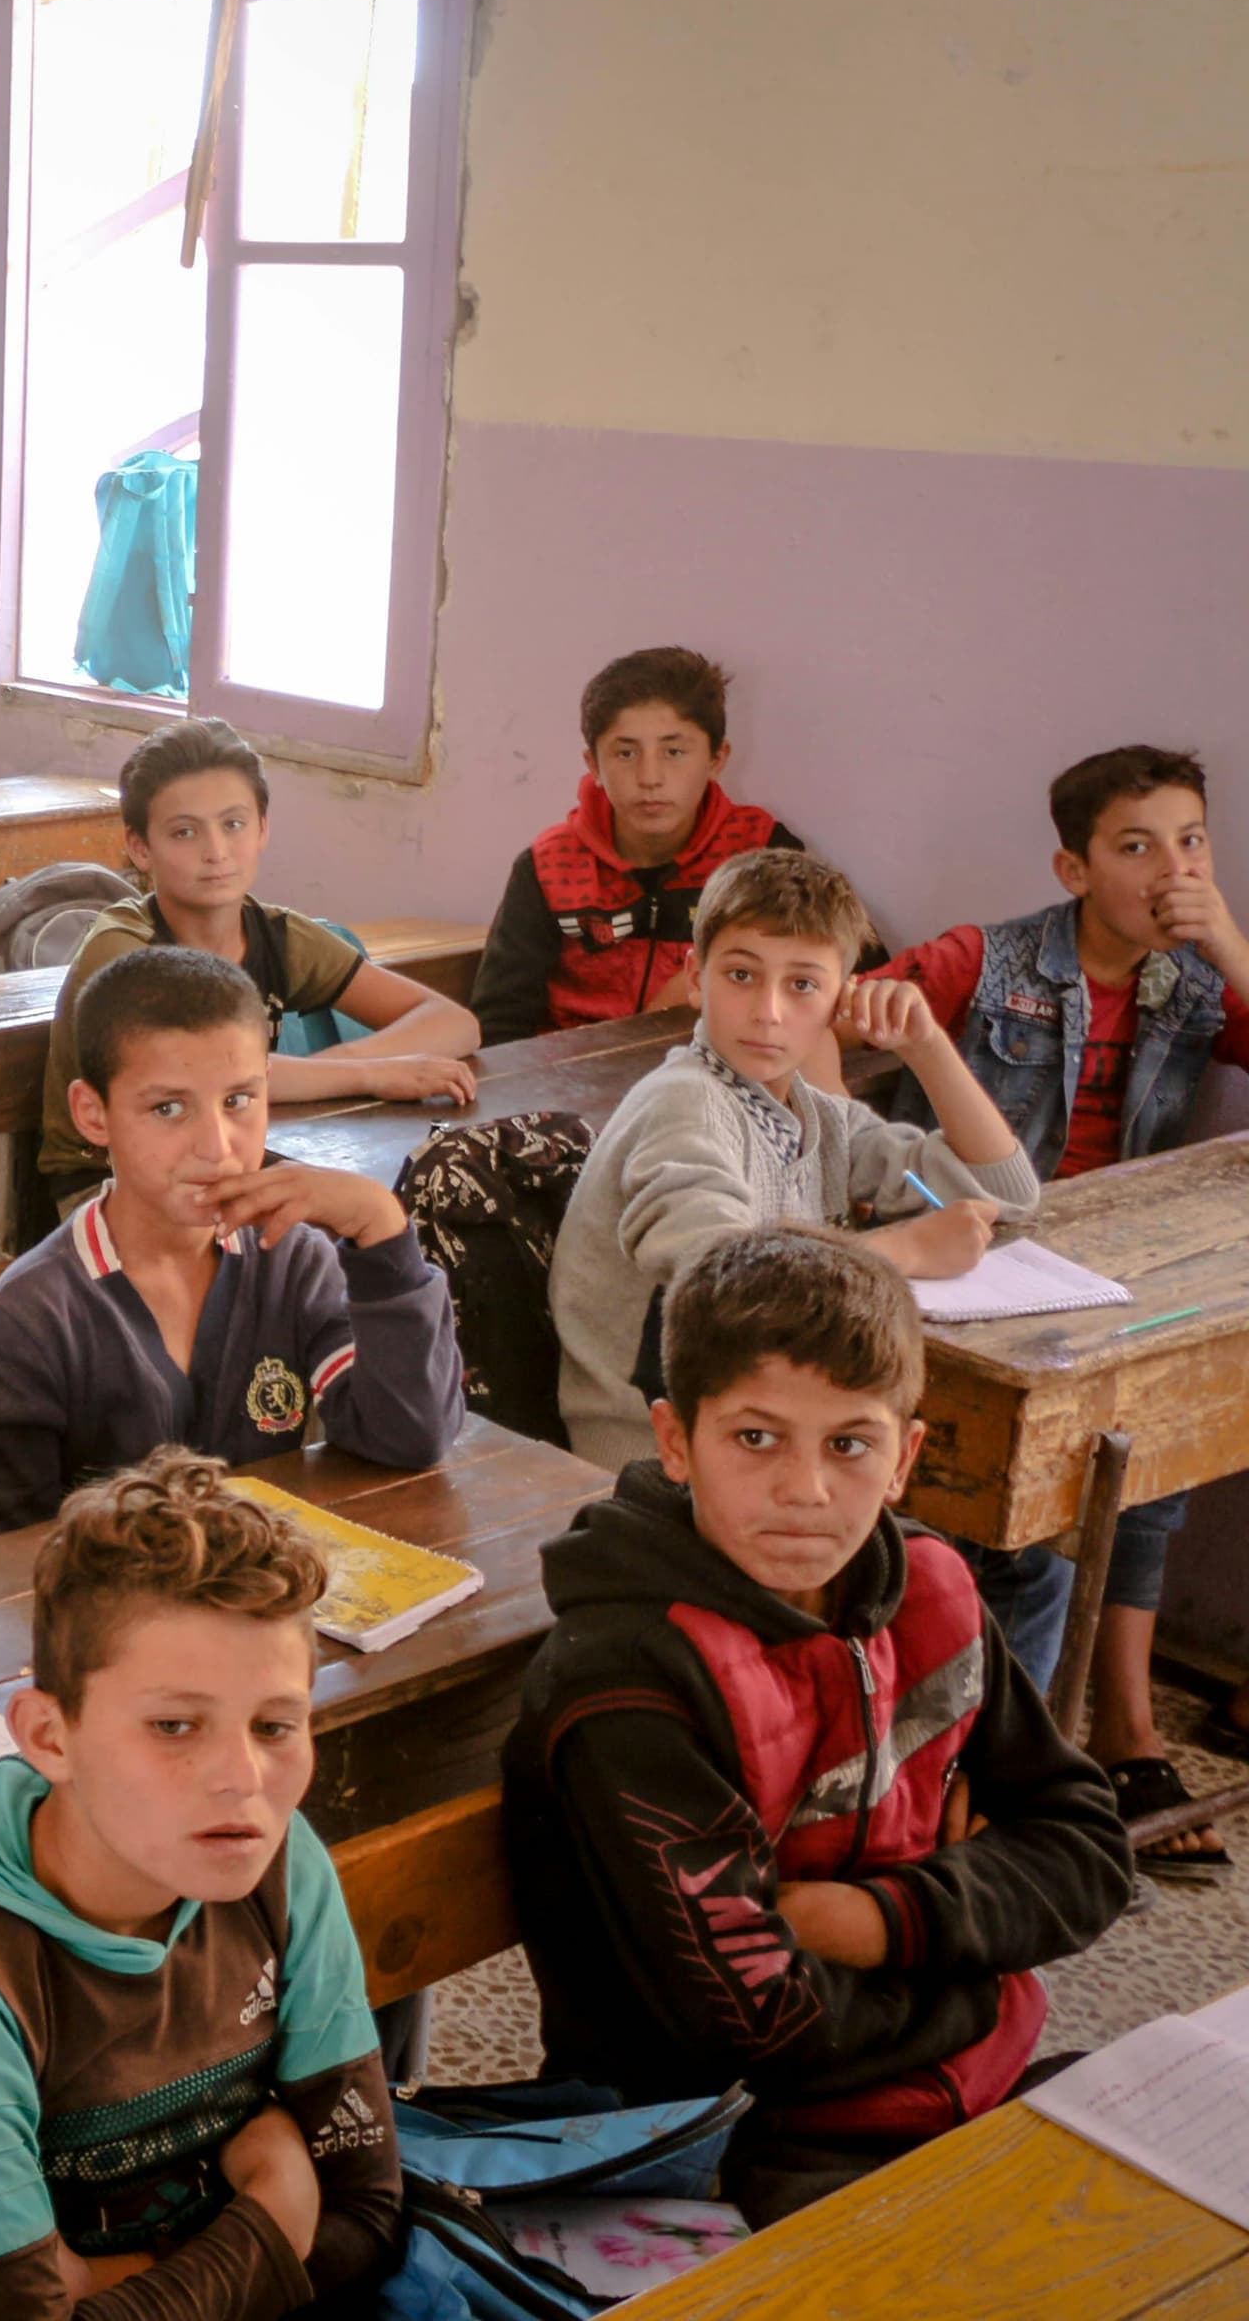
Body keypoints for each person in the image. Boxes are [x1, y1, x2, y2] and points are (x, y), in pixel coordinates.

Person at [502, 1229, 1133, 2223]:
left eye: (849, 1444)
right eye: (756, 1438)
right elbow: (758, 2024)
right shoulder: (629, 1678)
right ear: (675, 1441)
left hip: (968, 2084)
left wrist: (880, 1921)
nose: (805, 1490)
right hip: (732, 2147)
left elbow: (1092, 1852)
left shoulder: (931, 1594)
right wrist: (985, 1964)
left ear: (904, 1456)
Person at [0, 1455, 406, 2321]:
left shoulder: (281, 1863)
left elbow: (367, 2218)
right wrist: (276, 2211)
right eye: (174, 1725)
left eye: (275, 1726)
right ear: (49, 1737)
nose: (243, 1778)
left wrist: (105, 2286)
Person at [866, 745, 1249, 1873]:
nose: (1171, 870)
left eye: (1191, 841)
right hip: (977, 1264)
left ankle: (1123, 1730)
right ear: (1074, 869)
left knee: (1155, 1448)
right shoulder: (986, 961)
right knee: (1058, 1483)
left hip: (1112, 1267)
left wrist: (1228, 943)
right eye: (1136, 846)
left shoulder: (1196, 979)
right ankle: (1017, 1752)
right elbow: (836, 1018)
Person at [549, 847, 1038, 1468]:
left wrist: (926, 1046)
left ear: (841, 1004)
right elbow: (723, 1286)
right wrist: (904, 1251)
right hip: (655, 1456)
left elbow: (1006, 1192)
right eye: (741, 975)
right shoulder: (685, 1104)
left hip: (764, 1426)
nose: (768, 1012)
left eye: (803, 985)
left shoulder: (817, 1117)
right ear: (696, 978)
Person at [0, 946, 464, 1533]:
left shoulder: (293, 1261)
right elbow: (16, 1560)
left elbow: (410, 1437)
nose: (217, 1147)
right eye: (168, 1108)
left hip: (271, 1579)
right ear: (93, 1114)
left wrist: (382, 1232)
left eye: (238, 1101)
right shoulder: (28, 1320)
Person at [38, 718, 481, 1200]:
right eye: (184, 832)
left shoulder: (276, 935)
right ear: (141, 847)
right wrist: (372, 1074)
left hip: (223, 1161)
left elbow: (455, 1023)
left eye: (233, 825)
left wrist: (346, 1063)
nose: (216, 852)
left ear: (263, 829)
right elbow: (203, 1078)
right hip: (112, 1185)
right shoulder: (124, 950)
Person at [477, 648, 819, 1044]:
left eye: (674, 752)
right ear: (594, 765)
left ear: (716, 759)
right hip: (571, 1072)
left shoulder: (761, 856)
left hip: (710, 1069)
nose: (650, 777)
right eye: (626, 753)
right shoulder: (549, 867)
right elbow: (499, 1026)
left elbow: (840, 976)